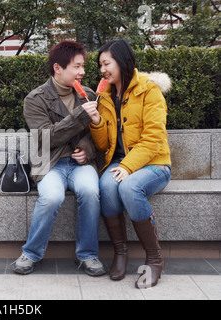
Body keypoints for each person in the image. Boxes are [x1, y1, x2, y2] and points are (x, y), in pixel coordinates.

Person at [12, 40, 105, 277]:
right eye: (77, 66)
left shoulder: (91, 96)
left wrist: (88, 150)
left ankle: (88, 255)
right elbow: (46, 138)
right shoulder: (35, 99)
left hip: (80, 164)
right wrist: (79, 116)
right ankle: (30, 253)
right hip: (50, 163)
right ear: (57, 68)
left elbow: (100, 134)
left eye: (83, 66)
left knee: (91, 192)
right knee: (52, 197)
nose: (83, 72)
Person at [89, 39, 172, 288]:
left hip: (154, 164)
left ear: (122, 61)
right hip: (118, 161)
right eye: (100, 65)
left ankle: (155, 259)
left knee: (128, 187)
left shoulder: (149, 90)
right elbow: (104, 145)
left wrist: (127, 167)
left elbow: (155, 138)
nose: (103, 69)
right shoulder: (104, 95)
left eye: (107, 63)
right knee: (106, 187)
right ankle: (120, 252)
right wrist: (95, 121)